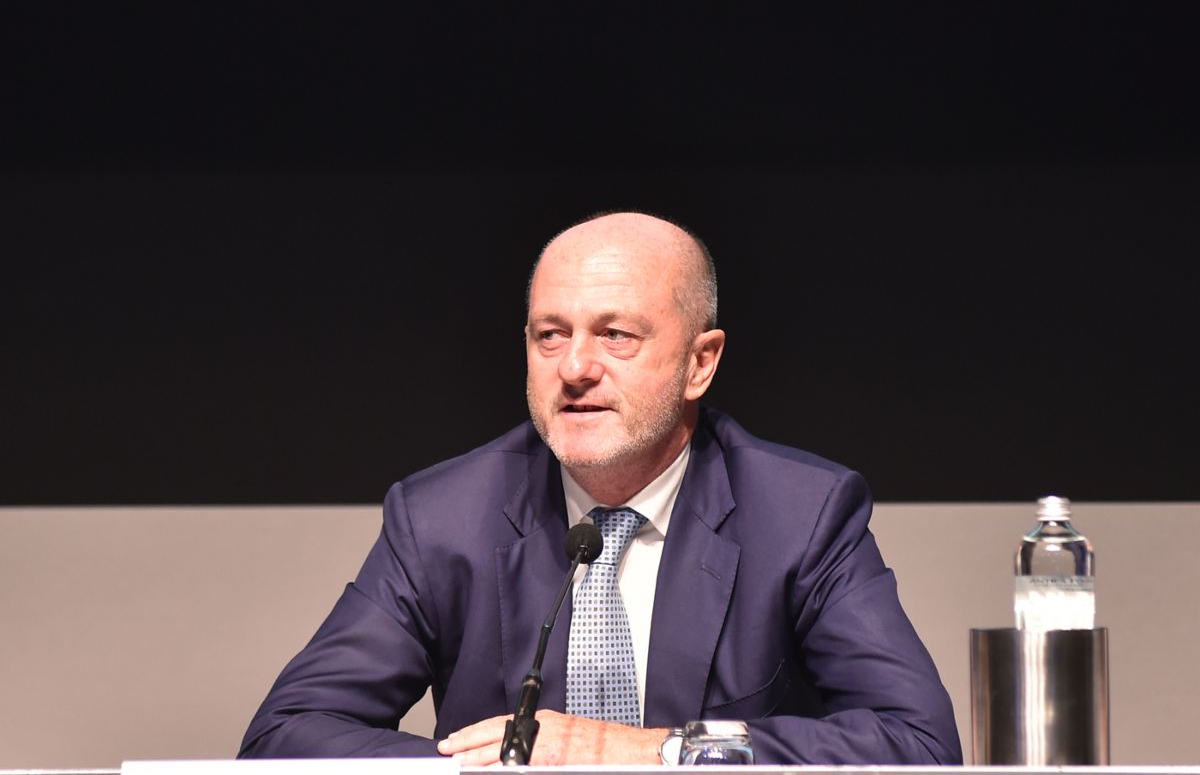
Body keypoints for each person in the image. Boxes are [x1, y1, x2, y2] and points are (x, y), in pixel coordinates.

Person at [239, 211, 962, 765]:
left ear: (700, 363)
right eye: (550, 335)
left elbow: (918, 742)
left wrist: (653, 752)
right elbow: (286, 734)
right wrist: (493, 767)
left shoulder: (800, 514)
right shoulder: (441, 518)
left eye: (616, 334)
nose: (575, 367)